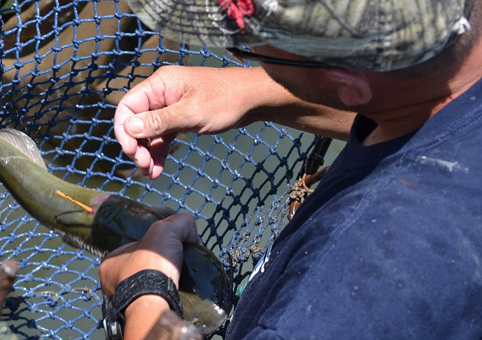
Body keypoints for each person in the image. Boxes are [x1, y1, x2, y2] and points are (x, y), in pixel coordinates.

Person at [98, 0, 482, 339]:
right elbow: (418, 112)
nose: (245, 50)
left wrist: (142, 294)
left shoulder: (337, 298)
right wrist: (257, 94)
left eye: (243, 46)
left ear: (349, 85)